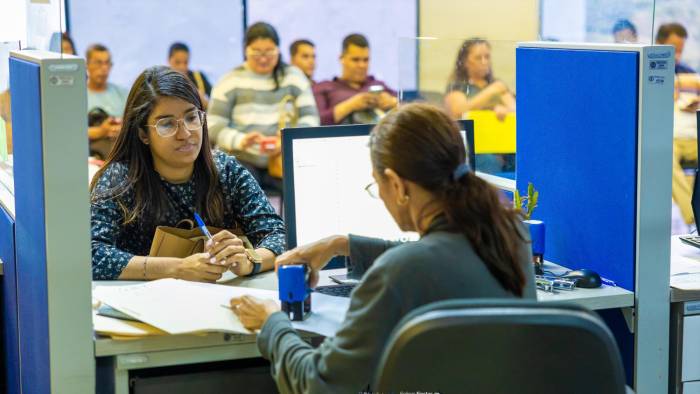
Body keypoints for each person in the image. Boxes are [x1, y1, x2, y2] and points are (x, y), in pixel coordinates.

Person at [228, 103, 536, 393]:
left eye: (377, 186)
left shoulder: (400, 271)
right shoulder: (511, 235)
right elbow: (434, 258)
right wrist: (342, 245)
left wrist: (272, 323)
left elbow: (318, 384)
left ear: (398, 186)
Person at [90, 66, 286, 281]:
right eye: (166, 124)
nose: (185, 134)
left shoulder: (227, 171)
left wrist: (250, 260)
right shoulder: (120, 179)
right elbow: (91, 255)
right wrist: (176, 268)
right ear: (143, 134)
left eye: (192, 118)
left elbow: (279, 236)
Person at [208, 22, 319, 193]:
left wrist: (285, 142)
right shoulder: (231, 80)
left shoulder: (292, 76)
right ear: (246, 50)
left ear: (278, 50)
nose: (263, 58)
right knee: (242, 190)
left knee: (306, 189)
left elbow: (310, 118)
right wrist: (241, 140)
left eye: (269, 52)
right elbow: (213, 125)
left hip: (282, 157)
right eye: (256, 52)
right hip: (240, 156)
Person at [656, 23, 700, 227]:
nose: (678, 54)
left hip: (693, 138)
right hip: (671, 138)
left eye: (681, 49)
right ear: (660, 44)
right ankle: (694, 216)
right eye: (674, 49)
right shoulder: (652, 78)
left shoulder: (690, 75)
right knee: (664, 156)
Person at [313, 34, 397, 125]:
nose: (362, 66)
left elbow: (409, 106)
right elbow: (315, 121)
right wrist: (351, 105)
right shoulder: (325, 87)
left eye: (366, 60)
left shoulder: (378, 84)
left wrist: (392, 102)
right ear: (342, 59)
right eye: (355, 60)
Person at [444, 38, 516, 121]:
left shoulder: (497, 84)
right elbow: (457, 112)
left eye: (487, 57)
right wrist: (491, 91)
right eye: (478, 58)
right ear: (465, 62)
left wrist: (506, 111)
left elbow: (515, 109)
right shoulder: (457, 86)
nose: (484, 62)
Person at [86, 44, 128, 159]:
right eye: (99, 63)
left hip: (122, 152)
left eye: (107, 63)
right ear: (87, 65)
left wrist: (121, 128)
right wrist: (101, 131)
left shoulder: (122, 93)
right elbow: (72, 133)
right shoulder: (78, 96)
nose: (104, 68)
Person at [168, 42, 212, 109]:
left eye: (186, 62)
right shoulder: (161, 81)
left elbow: (216, 100)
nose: (182, 67)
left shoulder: (199, 77)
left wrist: (205, 103)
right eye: (177, 62)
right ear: (169, 60)